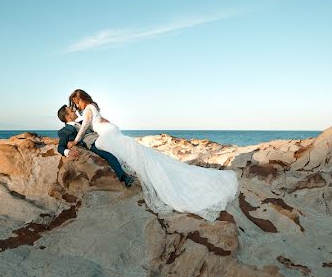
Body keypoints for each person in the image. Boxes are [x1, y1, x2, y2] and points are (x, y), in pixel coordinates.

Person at [67, 89, 238, 221]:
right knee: (130, 150)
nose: (77, 106)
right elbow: (96, 120)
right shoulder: (94, 106)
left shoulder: (88, 108)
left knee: (101, 144)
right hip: (111, 129)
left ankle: (127, 173)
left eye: (77, 102)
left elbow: (84, 127)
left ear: (81, 99)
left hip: (106, 133)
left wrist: (75, 141)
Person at [56, 105, 134, 187]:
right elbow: (60, 147)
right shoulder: (64, 131)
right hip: (92, 144)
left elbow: (95, 124)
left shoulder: (82, 122)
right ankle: (124, 178)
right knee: (110, 156)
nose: (75, 111)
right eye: (71, 111)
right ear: (68, 116)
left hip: (101, 138)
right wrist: (69, 152)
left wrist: (102, 122)